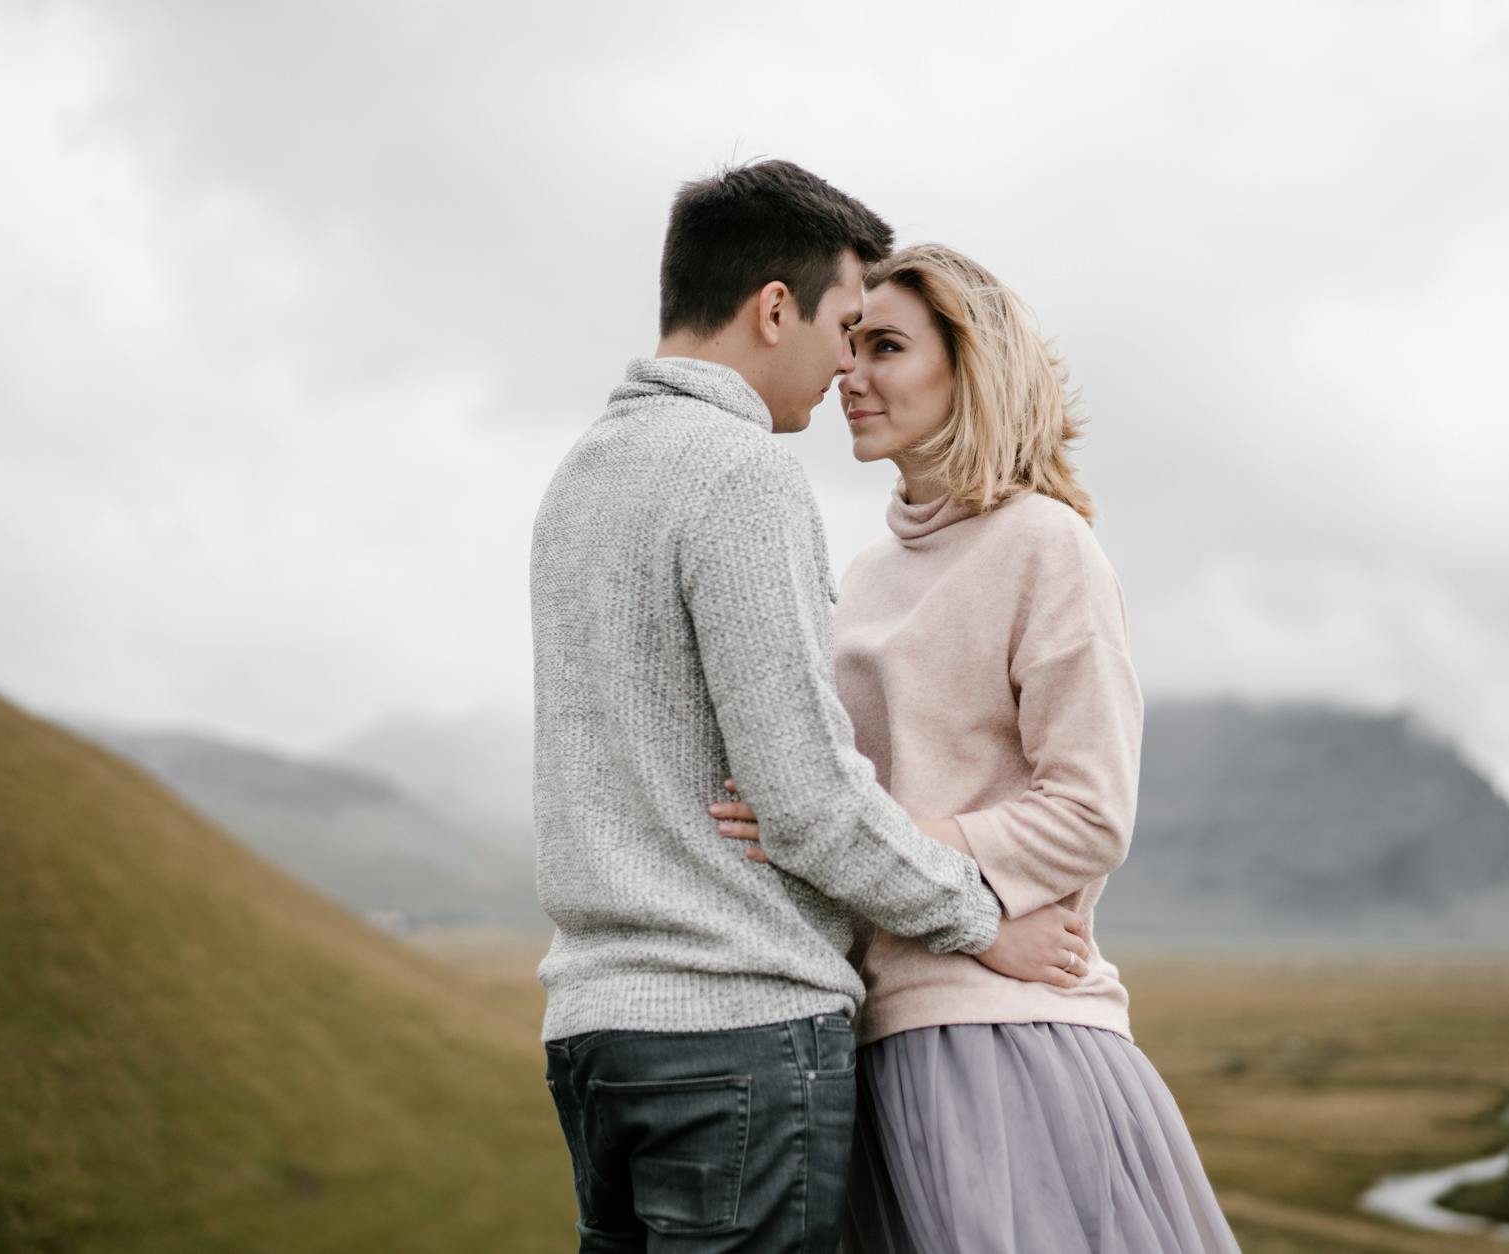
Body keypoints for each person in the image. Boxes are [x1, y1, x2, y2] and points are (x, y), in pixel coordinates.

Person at [531, 164, 1090, 1254]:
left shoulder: (579, 476)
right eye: (844, 325)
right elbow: (805, 801)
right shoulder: (739, 473)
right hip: (735, 1036)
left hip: (591, 1038)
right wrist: (984, 923)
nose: (845, 364)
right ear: (772, 308)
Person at [710, 243, 1242, 1253]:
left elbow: (1089, 812)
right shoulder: (858, 576)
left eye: (887, 347)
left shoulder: (1046, 545)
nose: (849, 374)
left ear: (970, 367)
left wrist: (843, 835)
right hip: (866, 1044)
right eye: (850, 344)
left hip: (1006, 1039)